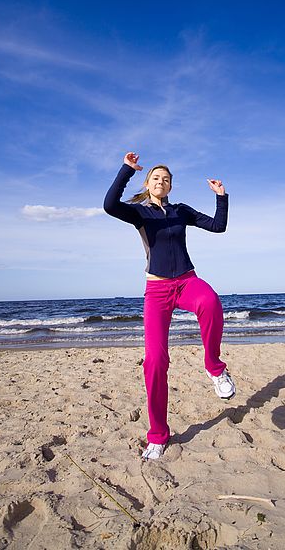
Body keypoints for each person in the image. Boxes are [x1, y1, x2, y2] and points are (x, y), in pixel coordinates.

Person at [103, 152, 236, 460]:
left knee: (211, 301)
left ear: (171, 186)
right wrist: (127, 170)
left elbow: (218, 226)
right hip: (157, 290)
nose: (160, 182)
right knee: (155, 362)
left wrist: (222, 197)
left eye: (165, 179)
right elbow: (109, 205)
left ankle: (215, 369)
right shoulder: (139, 213)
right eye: (155, 178)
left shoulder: (180, 211)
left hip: (187, 281)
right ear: (148, 184)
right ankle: (158, 435)